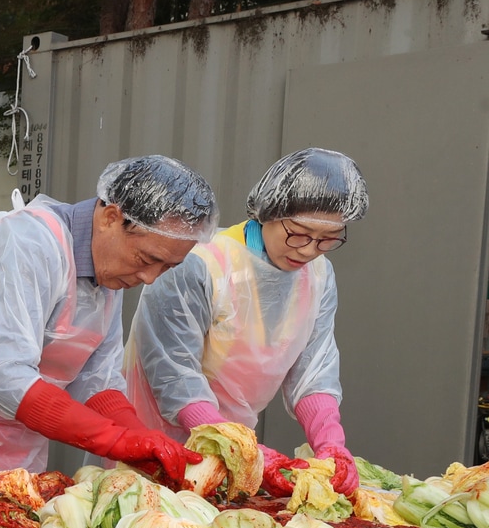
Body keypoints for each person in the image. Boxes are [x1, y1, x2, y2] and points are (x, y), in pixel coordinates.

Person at [0, 157, 219, 492]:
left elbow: (95, 377)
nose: (148, 277)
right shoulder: (26, 242)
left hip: (16, 442)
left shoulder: (110, 274)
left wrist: (140, 437)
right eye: (145, 259)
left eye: (166, 268)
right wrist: (116, 440)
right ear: (111, 217)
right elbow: (3, 375)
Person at [124, 147, 368, 497]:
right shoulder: (199, 262)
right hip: (160, 442)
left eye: (329, 239)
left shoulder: (318, 275)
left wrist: (331, 444)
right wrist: (241, 450)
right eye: (298, 233)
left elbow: (314, 368)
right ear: (268, 212)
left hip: (238, 448)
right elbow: (174, 376)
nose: (309, 250)